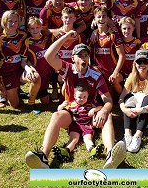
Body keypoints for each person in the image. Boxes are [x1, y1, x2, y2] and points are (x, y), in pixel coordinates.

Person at [25, 33, 126, 169]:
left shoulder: (96, 74)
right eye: (80, 55)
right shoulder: (67, 69)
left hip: (90, 113)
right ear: (73, 58)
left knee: (107, 115)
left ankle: (110, 155)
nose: (84, 58)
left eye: (86, 55)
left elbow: (107, 100)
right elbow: (49, 55)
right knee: (56, 115)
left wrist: (103, 110)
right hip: (72, 112)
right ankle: (43, 156)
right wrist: (66, 36)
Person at [119, 49, 148, 153]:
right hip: (134, 114)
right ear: (135, 63)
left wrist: (141, 110)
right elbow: (121, 98)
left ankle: (138, 136)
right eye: (139, 61)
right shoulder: (132, 77)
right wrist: (124, 109)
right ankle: (127, 135)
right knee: (129, 98)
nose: (142, 64)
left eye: (145, 61)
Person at [52, 84, 103, 162]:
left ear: (87, 96)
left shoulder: (90, 103)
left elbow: (101, 107)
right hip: (75, 125)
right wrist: (62, 105)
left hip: (87, 125)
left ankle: (93, 150)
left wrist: (94, 109)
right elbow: (59, 111)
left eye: (84, 97)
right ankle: (66, 151)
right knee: (74, 139)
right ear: (75, 96)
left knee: (88, 138)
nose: (82, 99)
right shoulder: (72, 104)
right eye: (79, 97)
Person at [0, 10, 29, 109]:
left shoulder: (23, 35)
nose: (13, 24)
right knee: (15, 105)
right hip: (7, 73)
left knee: (35, 77)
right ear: (4, 21)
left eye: (16, 21)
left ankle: (19, 91)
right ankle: (7, 91)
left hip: (21, 70)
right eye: (10, 21)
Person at [89, 6, 125, 94]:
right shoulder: (93, 35)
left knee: (115, 82)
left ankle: (123, 98)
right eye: (99, 16)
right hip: (99, 71)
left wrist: (115, 72)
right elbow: (88, 54)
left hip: (112, 71)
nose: (101, 19)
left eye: (104, 16)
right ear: (95, 19)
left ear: (108, 18)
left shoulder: (114, 35)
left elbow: (122, 55)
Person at [21, 17, 53, 113]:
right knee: (35, 77)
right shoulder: (27, 42)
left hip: (46, 75)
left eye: (37, 27)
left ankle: (38, 92)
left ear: (41, 27)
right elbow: (23, 61)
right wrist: (29, 69)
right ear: (28, 29)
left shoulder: (47, 38)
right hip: (34, 72)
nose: (35, 30)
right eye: (32, 28)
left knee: (46, 102)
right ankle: (31, 103)